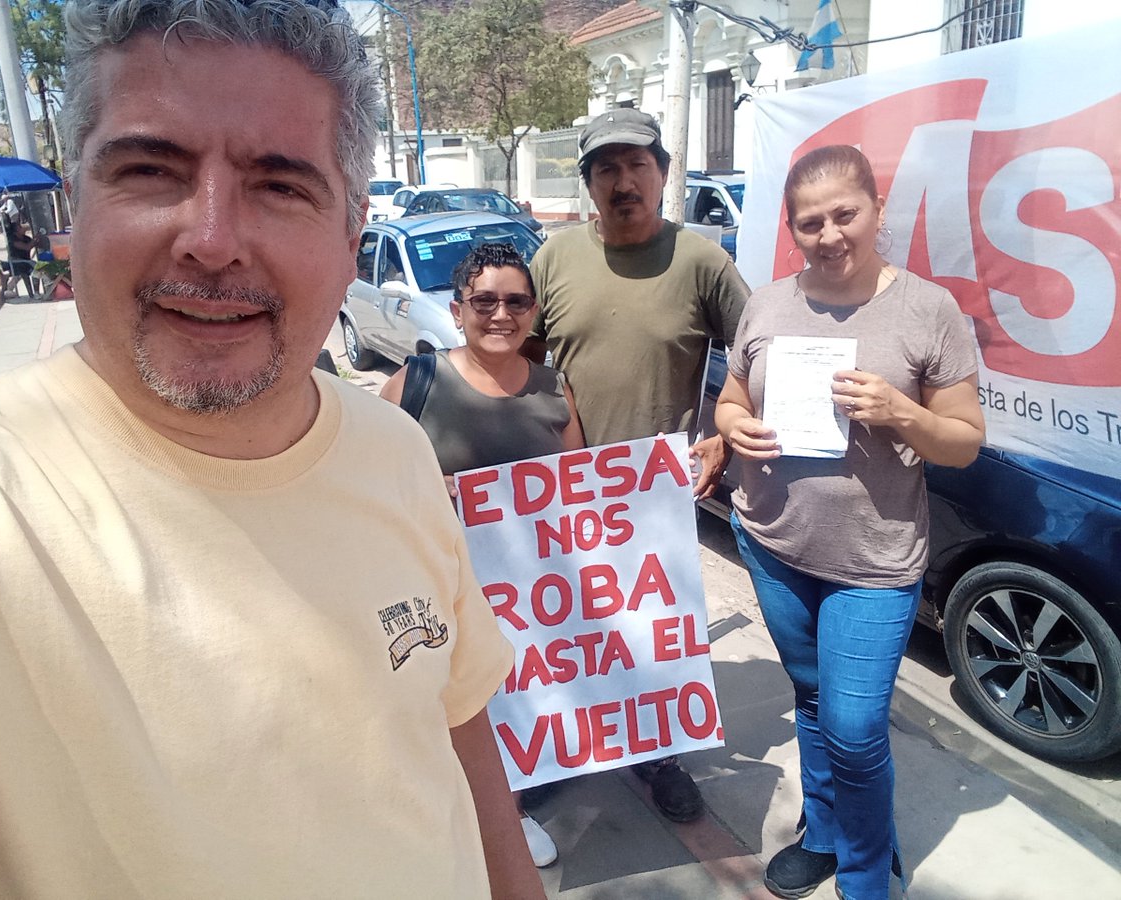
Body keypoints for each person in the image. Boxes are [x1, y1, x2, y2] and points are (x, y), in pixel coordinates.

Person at [0, 2, 542, 897]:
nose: (211, 241)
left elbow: (459, 731)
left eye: (280, 186)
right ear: (76, 204)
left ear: (351, 235)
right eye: (149, 170)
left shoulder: (396, 449)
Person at [713, 145, 985, 900]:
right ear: (791, 230)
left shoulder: (927, 310)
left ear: (877, 210)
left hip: (875, 561)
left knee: (857, 727)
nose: (830, 234)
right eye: (811, 223)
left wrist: (900, 411)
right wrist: (734, 426)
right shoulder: (768, 304)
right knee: (811, 699)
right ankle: (825, 833)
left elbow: (964, 442)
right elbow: (731, 398)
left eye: (845, 215)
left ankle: (865, 872)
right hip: (773, 542)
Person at [524, 106, 750, 823]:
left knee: (650, 638)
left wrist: (725, 433)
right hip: (562, 490)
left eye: (636, 165)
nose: (623, 182)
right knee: (570, 638)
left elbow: (757, 358)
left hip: (654, 496)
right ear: (589, 182)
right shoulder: (553, 259)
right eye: (606, 169)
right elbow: (519, 363)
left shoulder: (702, 261)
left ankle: (660, 756)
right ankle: (565, 749)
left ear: (662, 173)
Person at [382, 242, 585, 870]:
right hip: (438, 587)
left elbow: (580, 486)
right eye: (485, 300)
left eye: (517, 301)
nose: (501, 314)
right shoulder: (416, 382)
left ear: (533, 311)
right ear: (458, 308)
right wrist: (426, 488)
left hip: (530, 593)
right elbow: (367, 479)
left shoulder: (554, 388)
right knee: (451, 702)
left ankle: (508, 812)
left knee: (515, 696)